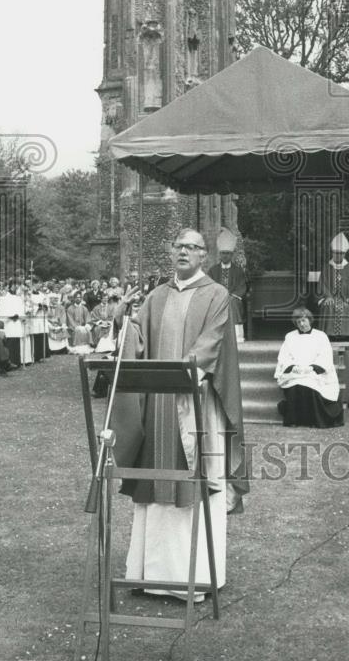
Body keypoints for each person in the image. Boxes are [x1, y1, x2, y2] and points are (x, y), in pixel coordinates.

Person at [110, 228, 248, 602]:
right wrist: (124, 319)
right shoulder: (156, 296)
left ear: (205, 256)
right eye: (179, 246)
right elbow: (135, 340)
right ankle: (149, 574)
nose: (185, 252)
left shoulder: (217, 295)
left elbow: (211, 345)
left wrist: (184, 372)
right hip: (157, 407)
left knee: (192, 481)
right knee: (155, 481)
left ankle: (197, 577)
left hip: (195, 406)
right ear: (171, 253)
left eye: (193, 247)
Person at [275, 307, 344, 428]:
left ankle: (314, 420)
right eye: (299, 322)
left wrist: (313, 368)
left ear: (309, 320)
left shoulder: (321, 336)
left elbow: (325, 356)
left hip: (315, 372)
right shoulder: (290, 337)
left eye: (304, 320)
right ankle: (294, 420)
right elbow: (284, 356)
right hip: (296, 371)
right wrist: (293, 366)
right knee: (296, 384)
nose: (302, 324)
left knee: (310, 383)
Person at [315, 232, 349, 337]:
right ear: (332, 253)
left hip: (347, 298)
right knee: (329, 306)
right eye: (336, 253)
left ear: (344, 254)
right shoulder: (326, 267)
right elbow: (322, 284)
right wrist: (327, 296)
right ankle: (329, 335)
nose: (338, 255)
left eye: (341, 253)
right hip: (331, 297)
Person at [207, 228, 249, 343]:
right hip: (217, 298)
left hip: (233, 299)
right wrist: (218, 296)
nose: (225, 256)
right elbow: (209, 286)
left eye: (228, 254)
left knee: (233, 302)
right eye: (223, 253)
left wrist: (233, 296)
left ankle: (237, 336)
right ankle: (215, 336)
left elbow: (242, 286)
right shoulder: (213, 270)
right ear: (220, 254)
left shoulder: (238, 270)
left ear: (231, 255)